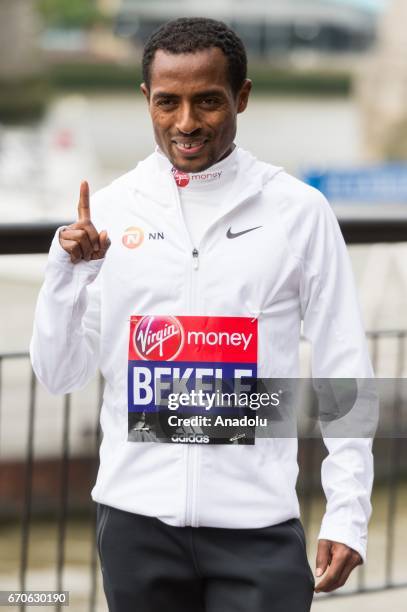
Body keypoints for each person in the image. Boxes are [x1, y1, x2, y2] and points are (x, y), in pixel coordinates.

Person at [30, 17, 375, 612]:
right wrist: (67, 276)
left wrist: (349, 510)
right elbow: (59, 376)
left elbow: (344, 365)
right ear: (147, 100)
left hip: (258, 528)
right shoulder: (110, 212)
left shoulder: (299, 212)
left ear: (241, 96)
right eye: (168, 102)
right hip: (136, 523)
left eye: (208, 101)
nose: (185, 123)